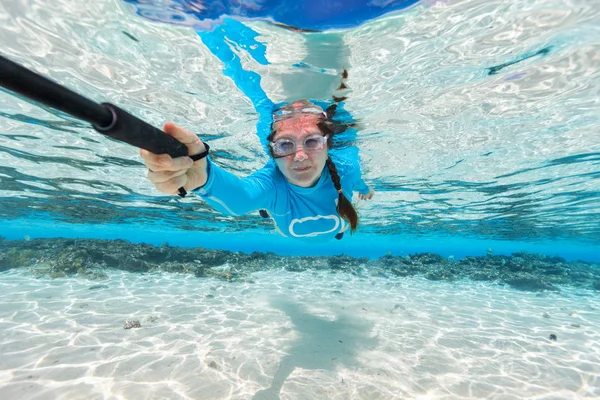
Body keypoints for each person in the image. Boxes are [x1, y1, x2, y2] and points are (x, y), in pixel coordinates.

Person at [140, 100, 374, 240]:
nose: (300, 156)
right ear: (273, 151)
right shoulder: (272, 181)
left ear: (327, 145)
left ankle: (337, 233)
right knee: (268, 200)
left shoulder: (346, 168)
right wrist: (204, 179)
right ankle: (266, 207)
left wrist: (365, 189)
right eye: (285, 145)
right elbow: (241, 198)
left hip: (335, 228)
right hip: (280, 205)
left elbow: (359, 182)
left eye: (312, 142)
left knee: (340, 231)